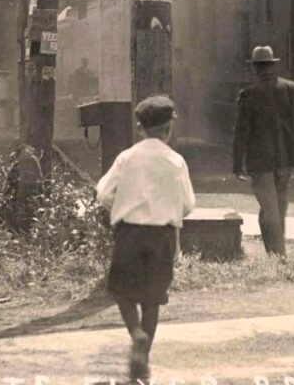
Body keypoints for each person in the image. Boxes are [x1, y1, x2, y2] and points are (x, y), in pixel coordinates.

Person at [95, 95, 196, 382]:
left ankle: (135, 333)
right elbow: (188, 204)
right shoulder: (175, 161)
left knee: (122, 291)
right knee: (153, 298)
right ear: (168, 129)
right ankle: (143, 359)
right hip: (162, 235)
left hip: (130, 232)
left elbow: (103, 193)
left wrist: (123, 206)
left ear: (140, 128)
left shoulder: (127, 157)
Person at [232, 45, 294, 256]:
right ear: (272, 65)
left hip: (259, 161)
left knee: (269, 208)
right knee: (277, 206)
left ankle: (278, 257)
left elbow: (240, 133)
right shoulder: (292, 89)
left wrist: (237, 166)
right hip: (286, 158)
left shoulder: (248, 95)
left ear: (256, 68)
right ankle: (276, 254)